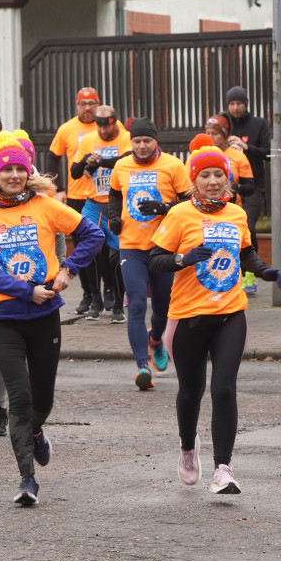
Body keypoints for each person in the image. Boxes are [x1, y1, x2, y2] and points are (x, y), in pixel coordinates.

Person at [0, 132, 103, 506]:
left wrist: (68, 272)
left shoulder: (44, 205)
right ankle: (27, 479)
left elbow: (92, 235)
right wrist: (28, 290)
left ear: (28, 172)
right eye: (6, 169)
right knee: (21, 396)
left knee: (43, 397)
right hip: (3, 317)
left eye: (19, 169)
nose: (13, 175)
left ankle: (38, 430)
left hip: (45, 316)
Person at [147, 146, 281, 495]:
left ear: (228, 178)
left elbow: (245, 252)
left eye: (218, 174)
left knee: (223, 388)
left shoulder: (237, 214)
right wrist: (183, 258)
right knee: (190, 392)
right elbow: (155, 259)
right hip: (188, 316)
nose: (212, 181)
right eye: (204, 175)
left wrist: (264, 271)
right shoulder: (178, 214)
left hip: (229, 313)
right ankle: (188, 449)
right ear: (194, 180)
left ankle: (224, 468)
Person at [107, 118, 191, 389]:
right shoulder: (121, 165)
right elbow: (115, 194)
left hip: (163, 247)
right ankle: (142, 367)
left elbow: (189, 202)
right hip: (131, 246)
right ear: (130, 142)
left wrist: (163, 207)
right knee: (137, 302)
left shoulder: (173, 165)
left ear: (156, 141)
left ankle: (155, 339)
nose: (141, 146)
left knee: (163, 309)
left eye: (147, 141)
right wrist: (113, 217)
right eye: (137, 141)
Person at [46, 87, 110, 313]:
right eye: (83, 104)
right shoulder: (67, 129)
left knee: (104, 246)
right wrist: (58, 189)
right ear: (77, 106)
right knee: (82, 247)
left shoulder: (108, 126)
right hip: (76, 196)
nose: (88, 107)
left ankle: (109, 290)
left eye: (92, 103)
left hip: (104, 195)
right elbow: (52, 158)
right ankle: (89, 294)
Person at [70, 105, 132, 322]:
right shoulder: (88, 139)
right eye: (99, 127)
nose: (103, 132)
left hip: (117, 204)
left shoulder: (125, 137)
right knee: (89, 249)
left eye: (107, 127)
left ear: (115, 122)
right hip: (93, 203)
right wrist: (87, 159)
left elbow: (127, 160)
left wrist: (100, 162)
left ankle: (118, 302)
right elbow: (75, 172)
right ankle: (95, 299)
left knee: (116, 256)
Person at [223, 86, 270, 295]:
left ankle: (249, 275)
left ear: (246, 104)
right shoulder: (224, 124)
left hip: (252, 186)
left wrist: (246, 146)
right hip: (227, 187)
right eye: (231, 104)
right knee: (227, 230)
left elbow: (267, 153)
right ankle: (231, 273)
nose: (235, 107)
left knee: (248, 228)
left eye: (238, 103)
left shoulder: (258, 124)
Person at [204, 115, 254, 202]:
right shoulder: (199, 154)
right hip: (204, 208)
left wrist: (234, 187)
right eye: (208, 133)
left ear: (225, 136)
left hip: (232, 208)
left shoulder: (238, 156)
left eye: (215, 134)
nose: (210, 137)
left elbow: (249, 188)